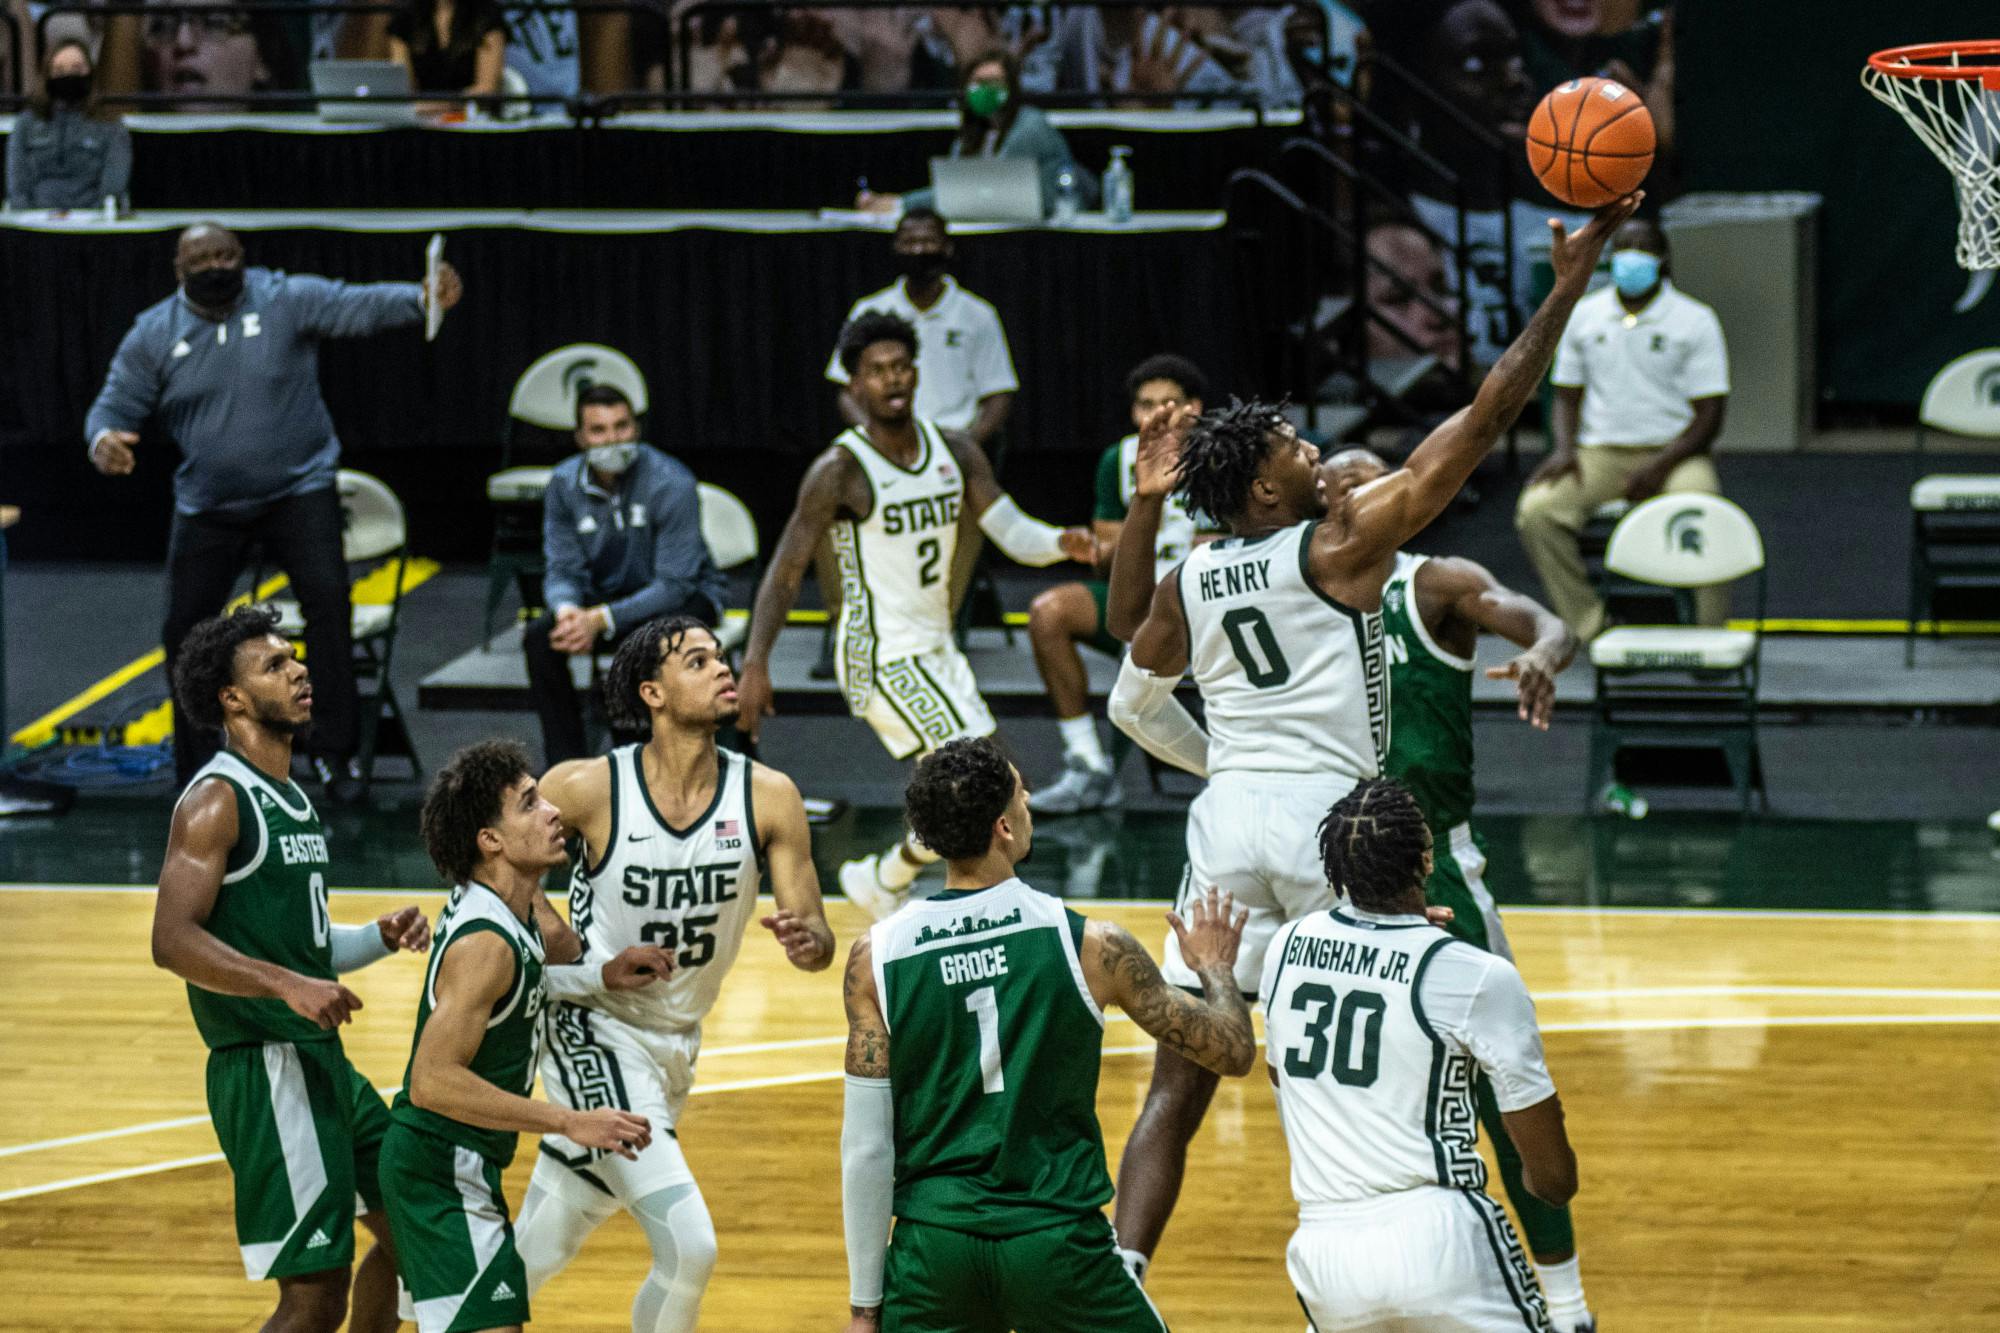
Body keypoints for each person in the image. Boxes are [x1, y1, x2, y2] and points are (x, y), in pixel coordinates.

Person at [1103, 191, 1637, 1282]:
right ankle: (1410, 1245)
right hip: (1321, 823)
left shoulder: (1194, 573)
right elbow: (1484, 417)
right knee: (1391, 1032)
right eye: (1297, 446)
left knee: (1177, 1081)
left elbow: (1125, 641)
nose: (1315, 453)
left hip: (1225, 822)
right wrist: (1565, 286)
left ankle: (1120, 1277)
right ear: (1264, 485)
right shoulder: (1337, 548)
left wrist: (1149, 510)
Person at [838, 736, 1257, 1332]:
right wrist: (1214, 965)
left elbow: (866, 1147)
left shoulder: (873, 958)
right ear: (1004, 828)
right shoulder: (1092, 945)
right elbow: (1233, 1052)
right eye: (1022, 794)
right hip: (1056, 1245)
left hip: (934, 1255)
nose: (1029, 801)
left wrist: (864, 1306)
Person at [1324, 446, 1598, 1332]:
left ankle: (1567, 1305)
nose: (1360, 498)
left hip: (1431, 857)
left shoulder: (1435, 584)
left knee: (1496, 1078)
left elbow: (1547, 623)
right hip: (1323, 862)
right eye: (1340, 488)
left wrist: (1547, 656)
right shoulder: (1295, 597)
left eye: (1376, 483)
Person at [513, 616, 836, 1332]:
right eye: (698, 661)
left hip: (676, 1043)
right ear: (652, 692)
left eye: (721, 656)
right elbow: (490, 852)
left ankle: (424, 1305)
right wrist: (564, 939)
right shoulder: (590, 785)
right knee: (691, 1246)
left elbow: (817, 935)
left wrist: (805, 940)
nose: (723, 668)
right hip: (591, 1026)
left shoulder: (769, 795)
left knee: (542, 1244)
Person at [85, 222, 463, 797]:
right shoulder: (152, 333)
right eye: (202, 260)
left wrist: (420, 298)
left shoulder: (282, 297)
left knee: (329, 606)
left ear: (243, 257)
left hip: (298, 489)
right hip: (208, 504)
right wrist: (103, 441)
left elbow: (353, 304)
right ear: (178, 270)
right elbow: (112, 408)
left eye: (226, 255)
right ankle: (198, 768)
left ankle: (334, 753)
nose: (217, 266)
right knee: (184, 631)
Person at [739, 311, 1095, 920]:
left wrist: (1063, 542)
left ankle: (884, 876)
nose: (892, 379)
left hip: (935, 648)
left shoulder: (954, 450)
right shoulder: (840, 469)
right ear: (854, 385)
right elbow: (786, 568)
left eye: (901, 366)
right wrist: (755, 662)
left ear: (917, 371)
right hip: (878, 656)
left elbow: (1009, 529)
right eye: (876, 371)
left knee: (991, 793)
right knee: (990, 788)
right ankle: (992, 917)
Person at [150, 605, 432, 1333]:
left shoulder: (292, 796)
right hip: (267, 1069)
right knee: (312, 1298)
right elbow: (172, 940)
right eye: (274, 665)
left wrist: (375, 935)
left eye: (295, 657)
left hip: (320, 1063)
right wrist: (286, 985)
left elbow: (300, 942)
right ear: (232, 699)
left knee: (415, 1232)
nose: (299, 669)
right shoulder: (217, 799)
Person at [1263, 778, 1580, 1332]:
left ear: (1333, 866)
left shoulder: (1286, 948)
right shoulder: (1477, 978)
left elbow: (1284, 1077)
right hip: (1441, 1240)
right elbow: (1554, 1180)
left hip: (1324, 1251)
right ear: (1428, 857)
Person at [382, 739, 676, 1333]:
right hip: (439, 1165)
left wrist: (603, 974)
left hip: (457, 1162)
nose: (552, 812)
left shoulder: (507, 911)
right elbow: (432, 1081)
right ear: (489, 841)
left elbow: (545, 962)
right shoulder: (486, 943)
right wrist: (569, 1120)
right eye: (528, 804)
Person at [1515, 216, 1731, 640]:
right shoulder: (1585, 315)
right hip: (1599, 454)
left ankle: (1710, 635)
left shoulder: (1695, 320)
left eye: (1643, 247)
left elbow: (1710, 418)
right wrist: (1563, 449)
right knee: (1536, 513)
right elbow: (1566, 396)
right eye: (1623, 248)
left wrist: (1657, 468)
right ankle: (1593, 628)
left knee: (1705, 513)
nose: (1632, 257)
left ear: (1662, 257)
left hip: (1675, 453)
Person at [1028, 354, 1209, 816]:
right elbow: (1110, 549)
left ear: (1195, 408)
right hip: (1141, 598)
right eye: (1147, 405)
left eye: (1170, 402)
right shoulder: (1119, 459)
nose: (1159, 414)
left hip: (1206, 596)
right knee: (1049, 611)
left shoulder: (1219, 454)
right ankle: (1087, 765)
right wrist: (1093, 547)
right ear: (1134, 414)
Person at [524, 383, 727, 768]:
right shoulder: (563, 484)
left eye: (622, 427)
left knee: (648, 636)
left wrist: (600, 620)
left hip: (684, 597)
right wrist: (568, 611)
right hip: (606, 598)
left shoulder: (672, 482)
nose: (612, 439)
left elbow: (675, 583)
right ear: (581, 438)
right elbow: (562, 568)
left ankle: (652, 763)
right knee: (541, 637)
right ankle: (566, 766)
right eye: (599, 431)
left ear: (636, 428)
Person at [825, 208, 1018, 454]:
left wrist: (967, 447)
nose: (919, 251)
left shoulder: (978, 314)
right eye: (910, 242)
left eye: (928, 241)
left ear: (947, 247)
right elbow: (845, 390)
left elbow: (999, 393)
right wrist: (877, 440)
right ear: (895, 248)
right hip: (883, 445)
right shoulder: (870, 310)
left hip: (955, 442)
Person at [857, 48, 1093, 218]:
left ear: (1011, 88)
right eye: (978, 82)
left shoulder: (1030, 126)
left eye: (994, 82)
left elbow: (987, 190)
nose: (985, 90)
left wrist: (901, 204)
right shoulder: (969, 136)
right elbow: (956, 193)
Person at [5, 39, 131, 212]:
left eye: (77, 69)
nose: (68, 76)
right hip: (35, 223)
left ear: (91, 73)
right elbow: (17, 186)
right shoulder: (26, 124)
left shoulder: (111, 126)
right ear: (47, 76)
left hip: (92, 224)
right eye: (59, 70)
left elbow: (112, 188)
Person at [387, 0, 507, 108]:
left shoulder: (487, 14)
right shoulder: (405, 17)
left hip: (473, 119)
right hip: (419, 121)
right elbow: (403, 87)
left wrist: (436, 106)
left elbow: (487, 88)